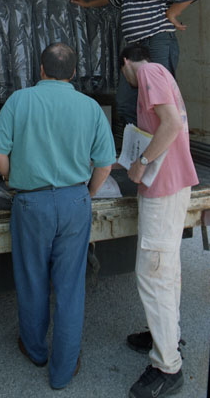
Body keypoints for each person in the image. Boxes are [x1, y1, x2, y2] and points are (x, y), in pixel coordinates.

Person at [0, 42, 115, 390]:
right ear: (73, 73)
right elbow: (105, 163)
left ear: (41, 69)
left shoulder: (19, 101)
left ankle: (35, 350)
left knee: (32, 280)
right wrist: (87, 193)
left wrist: (10, 177)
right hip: (75, 201)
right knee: (70, 287)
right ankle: (63, 371)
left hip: (31, 203)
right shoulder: (90, 108)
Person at [117, 44, 198, 398]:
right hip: (169, 187)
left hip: (163, 189)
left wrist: (142, 162)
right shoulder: (161, 73)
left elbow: (171, 124)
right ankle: (164, 334)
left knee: (152, 273)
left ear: (125, 63)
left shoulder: (148, 73)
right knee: (165, 270)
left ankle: (167, 367)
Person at [70, 0, 202, 124]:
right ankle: (139, 140)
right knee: (125, 102)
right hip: (134, 49)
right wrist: (87, 4)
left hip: (157, 42)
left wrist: (172, 14)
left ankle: (164, 140)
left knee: (161, 100)